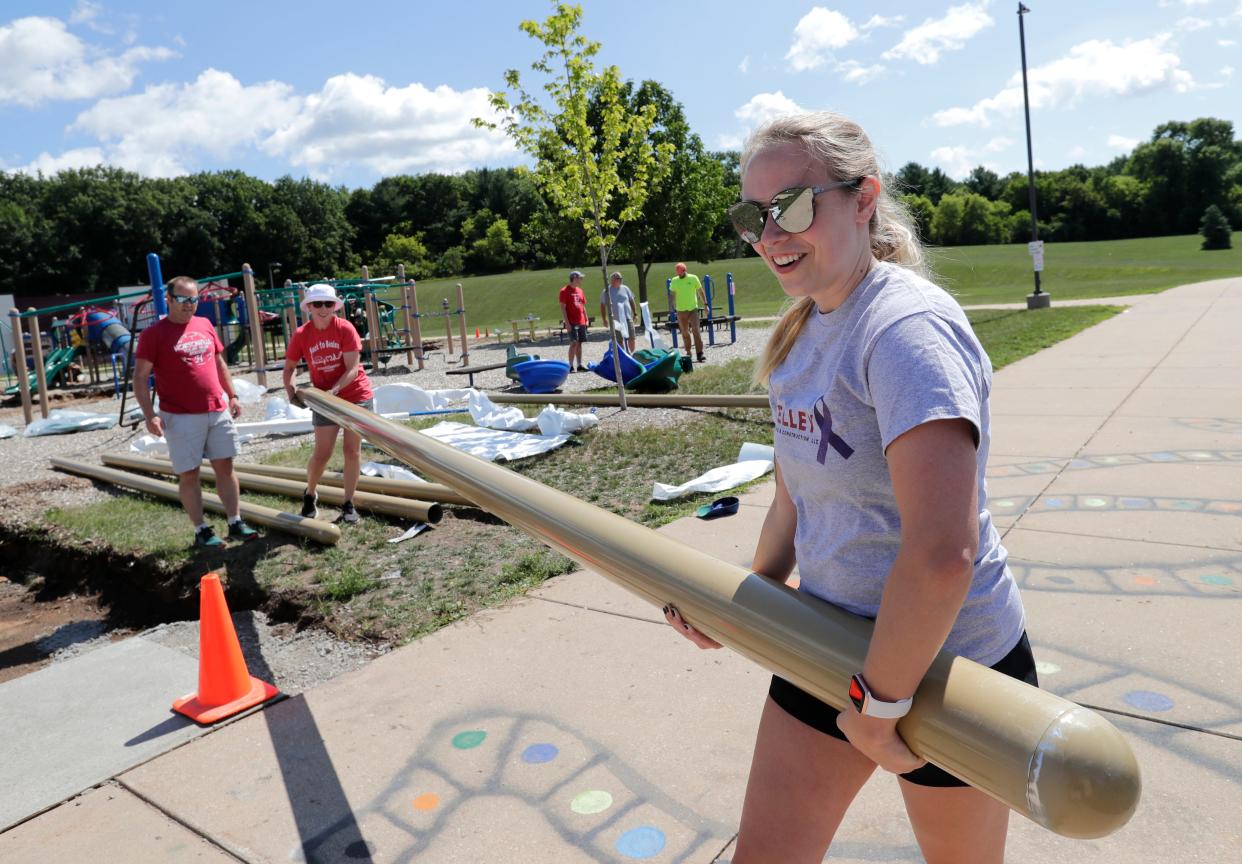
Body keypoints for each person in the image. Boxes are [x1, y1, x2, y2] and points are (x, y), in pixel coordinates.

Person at [663, 111, 1032, 863]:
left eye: (794, 205)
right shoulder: (801, 332)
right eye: (751, 215)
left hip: (949, 669)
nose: (769, 234)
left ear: (864, 198)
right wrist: (747, 600)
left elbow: (942, 554)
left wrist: (878, 707)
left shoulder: (903, 330)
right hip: (827, 645)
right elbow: (797, 498)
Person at [133, 276, 258, 548]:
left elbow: (218, 362)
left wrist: (232, 395)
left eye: (194, 299)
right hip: (180, 416)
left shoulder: (204, 324)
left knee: (225, 466)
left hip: (217, 409)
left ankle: (235, 522)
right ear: (168, 300)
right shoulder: (153, 335)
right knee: (189, 473)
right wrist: (149, 414)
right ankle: (201, 530)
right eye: (183, 299)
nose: (189, 305)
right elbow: (141, 377)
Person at [283, 283, 374, 524]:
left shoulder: (345, 329)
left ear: (335, 306)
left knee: (351, 451)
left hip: (355, 395)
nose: (323, 308)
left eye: (328, 303)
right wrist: (291, 390)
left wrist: (335, 390)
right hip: (324, 398)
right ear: (309, 307)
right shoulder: (302, 335)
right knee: (322, 453)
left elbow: (353, 368)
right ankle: (310, 494)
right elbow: (290, 367)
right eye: (317, 304)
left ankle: (348, 504)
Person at [668, 262, 707, 363]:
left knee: (696, 329)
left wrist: (706, 305)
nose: (679, 275)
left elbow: (700, 291)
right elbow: (672, 294)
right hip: (680, 310)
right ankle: (688, 351)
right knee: (685, 332)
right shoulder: (674, 280)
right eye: (678, 273)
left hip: (693, 309)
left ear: (685, 271)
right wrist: (671, 305)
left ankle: (700, 353)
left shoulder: (693, 278)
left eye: (681, 273)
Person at [600, 271, 638, 354]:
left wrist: (635, 313)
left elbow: (632, 301)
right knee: (619, 340)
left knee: (632, 337)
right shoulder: (606, 291)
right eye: (618, 279)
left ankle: (631, 354)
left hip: (627, 318)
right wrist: (604, 319)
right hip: (615, 320)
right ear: (612, 280)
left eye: (620, 279)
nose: (620, 280)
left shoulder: (626, 288)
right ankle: (624, 355)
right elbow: (602, 306)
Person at [558, 270, 589, 372]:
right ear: (574, 278)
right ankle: (570, 365)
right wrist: (567, 322)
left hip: (581, 321)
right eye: (580, 278)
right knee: (574, 342)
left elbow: (583, 306)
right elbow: (563, 308)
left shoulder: (580, 290)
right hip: (571, 321)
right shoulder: (564, 291)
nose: (582, 280)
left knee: (580, 343)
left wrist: (586, 318)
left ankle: (579, 365)